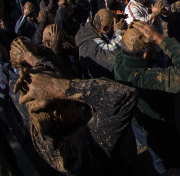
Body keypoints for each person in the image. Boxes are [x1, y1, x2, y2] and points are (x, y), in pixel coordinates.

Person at [11, 45, 138, 175]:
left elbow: (45, 90)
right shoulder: (82, 146)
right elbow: (122, 95)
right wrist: (58, 86)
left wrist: (34, 61)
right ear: (58, 113)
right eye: (66, 97)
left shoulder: (39, 132)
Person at [114, 21, 180, 173]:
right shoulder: (145, 78)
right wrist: (159, 37)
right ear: (145, 55)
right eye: (153, 47)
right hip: (159, 129)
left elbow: (127, 43)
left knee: (156, 155)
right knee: (171, 162)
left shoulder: (121, 61)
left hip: (139, 124)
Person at [76, 8, 124, 80]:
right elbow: (113, 56)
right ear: (105, 29)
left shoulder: (89, 33)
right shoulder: (92, 46)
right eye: (113, 27)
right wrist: (118, 32)